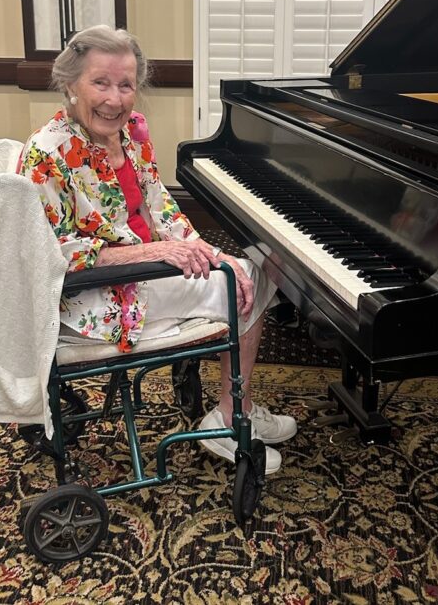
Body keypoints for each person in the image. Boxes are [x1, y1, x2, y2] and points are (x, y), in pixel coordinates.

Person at [18, 25, 296, 474]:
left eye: (126, 84)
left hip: (140, 272)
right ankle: (230, 417)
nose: (115, 99)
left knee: (243, 268)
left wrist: (205, 250)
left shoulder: (131, 135)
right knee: (250, 279)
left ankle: (232, 407)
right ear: (70, 85)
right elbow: (54, 255)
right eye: (100, 82)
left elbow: (161, 209)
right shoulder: (48, 152)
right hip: (95, 296)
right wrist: (154, 255)